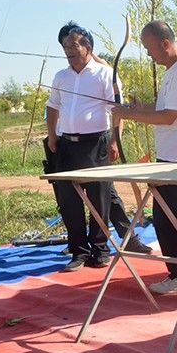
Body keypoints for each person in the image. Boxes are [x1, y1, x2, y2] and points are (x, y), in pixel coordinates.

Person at [111, 20, 177, 295]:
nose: (148, 54)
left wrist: (128, 115)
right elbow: (163, 108)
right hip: (176, 155)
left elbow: (169, 117)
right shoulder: (174, 70)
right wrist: (137, 108)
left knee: (171, 218)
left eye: (149, 48)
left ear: (165, 44)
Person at [45, 21, 118, 272]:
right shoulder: (60, 76)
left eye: (74, 44)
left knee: (99, 198)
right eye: (65, 46)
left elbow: (115, 109)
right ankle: (79, 251)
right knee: (69, 200)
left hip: (96, 143)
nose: (69, 50)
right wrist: (52, 136)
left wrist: (115, 140)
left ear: (87, 46)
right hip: (67, 144)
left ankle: (100, 250)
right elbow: (52, 106)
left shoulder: (103, 73)